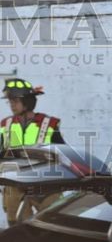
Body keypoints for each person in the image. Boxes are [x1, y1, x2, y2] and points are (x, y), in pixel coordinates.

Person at [0, 78, 65, 225]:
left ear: (28, 102)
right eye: (10, 101)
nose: (12, 105)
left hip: (45, 183)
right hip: (15, 183)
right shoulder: (5, 125)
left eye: (15, 101)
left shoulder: (49, 124)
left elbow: (62, 152)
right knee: (17, 226)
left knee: (56, 221)